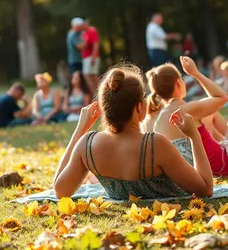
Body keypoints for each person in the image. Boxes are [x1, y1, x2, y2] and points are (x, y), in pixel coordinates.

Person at [53, 65, 214, 200]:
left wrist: (80, 130)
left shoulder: (86, 145)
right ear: (139, 107)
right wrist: (194, 136)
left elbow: (60, 191)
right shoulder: (155, 145)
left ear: (104, 109)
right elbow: (205, 189)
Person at [81, 20, 101, 94]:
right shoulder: (84, 33)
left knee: (92, 76)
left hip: (91, 57)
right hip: (87, 57)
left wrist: (93, 56)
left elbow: (96, 44)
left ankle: (99, 93)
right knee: (89, 75)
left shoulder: (91, 31)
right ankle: (95, 94)